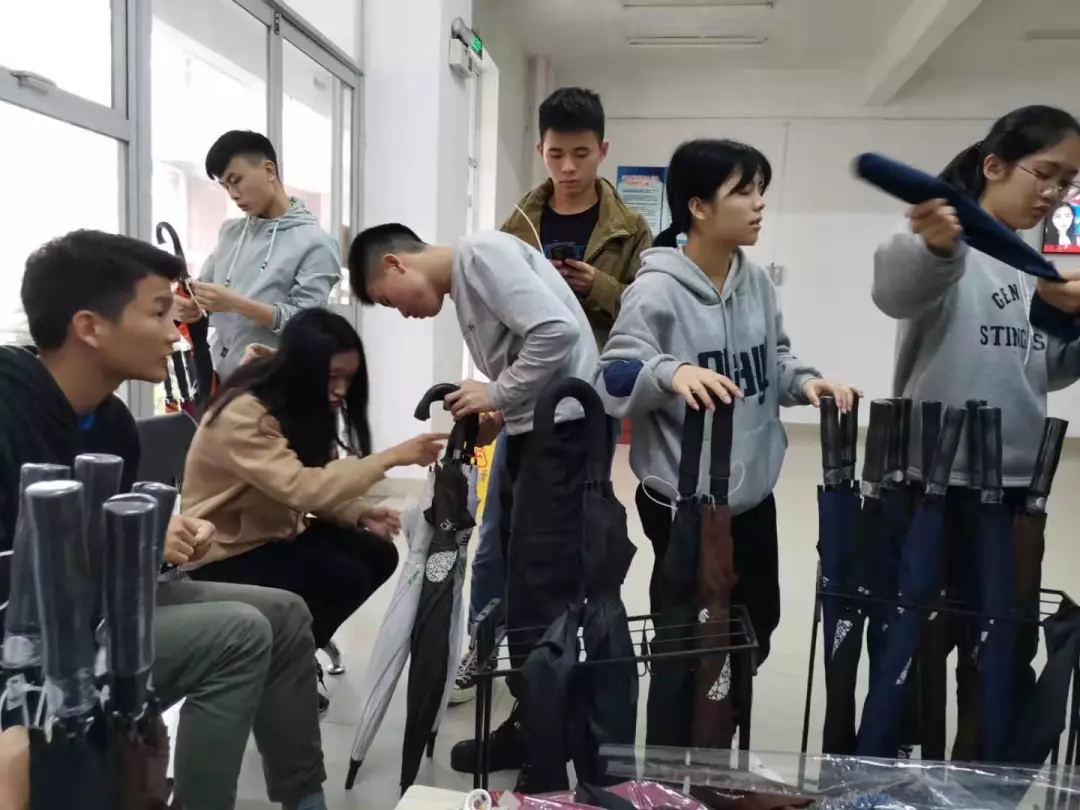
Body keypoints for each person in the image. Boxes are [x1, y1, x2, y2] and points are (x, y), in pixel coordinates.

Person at [1, 230, 329, 810]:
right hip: (27, 644)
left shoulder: (111, 423)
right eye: (158, 312)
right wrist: (124, 540)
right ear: (90, 327)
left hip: (97, 607)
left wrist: (152, 537)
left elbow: (100, 543)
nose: (176, 332)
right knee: (238, 633)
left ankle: (304, 799)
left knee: (286, 612)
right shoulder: (8, 409)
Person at [349, 223, 598, 788]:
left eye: (389, 300)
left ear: (395, 264)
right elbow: (532, 349)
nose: (402, 313)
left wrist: (497, 392)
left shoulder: (481, 256)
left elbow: (555, 332)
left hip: (561, 434)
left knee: (540, 589)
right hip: (538, 430)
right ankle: (530, 723)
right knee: (515, 580)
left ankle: (548, 751)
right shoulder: (467, 280)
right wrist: (500, 413)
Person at [595, 138, 857, 666]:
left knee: (755, 625)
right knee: (688, 635)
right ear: (698, 206)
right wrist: (670, 372)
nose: (759, 203)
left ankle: (730, 709)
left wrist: (806, 383)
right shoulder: (655, 291)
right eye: (743, 191)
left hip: (752, 496)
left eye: (760, 189)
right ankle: (683, 716)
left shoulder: (755, 283)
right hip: (682, 502)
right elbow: (611, 378)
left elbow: (773, 359)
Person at [871, 104, 1080, 759]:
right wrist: (937, 245)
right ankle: (908, 768)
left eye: (1067, 182)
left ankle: (977, 772)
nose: (1054, 192)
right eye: (1045, 173)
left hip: (1014, 485)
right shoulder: (945, 242)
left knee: (999, 648)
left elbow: (1044, 367)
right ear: (994, 166)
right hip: (929, 480)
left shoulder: (1035, 263)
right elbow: (895, 289)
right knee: (919, 643)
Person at [453, 87, 653, 705]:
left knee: (568, 531)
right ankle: (484, 644)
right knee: (497, 530)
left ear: (603, 151)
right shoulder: (519, 224)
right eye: (556, 154)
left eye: (581, 154)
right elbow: (497, 323)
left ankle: (559, 647)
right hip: (524, 401)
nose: (567, 167)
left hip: (588, 404)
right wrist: (496, 399)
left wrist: (600, 287)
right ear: (540, 149)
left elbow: (649, 312)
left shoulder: (630, 229)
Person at [180, 308, 446, 671]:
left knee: (378, 554)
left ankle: (292, 654)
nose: (342, 390)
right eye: (332, 377)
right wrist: (392, 457)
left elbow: (314, 479)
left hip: (270, 535)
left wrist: (358, 512)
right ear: (301, 367)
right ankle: (286, 664)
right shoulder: (244, 413)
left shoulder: (301, 402)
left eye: (349, 378)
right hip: (221, 553)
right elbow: (302, 488)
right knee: (342, 574)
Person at [174, 130, 341, 384]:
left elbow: (306, 324)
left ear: (269, 171)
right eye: (225, 186)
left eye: (236, 180)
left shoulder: (316, 242)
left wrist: (235, 303)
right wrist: (187, 305)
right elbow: (201, 291)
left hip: (275, 383)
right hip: (220, 379)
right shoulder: (231, 232)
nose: (233, 194)